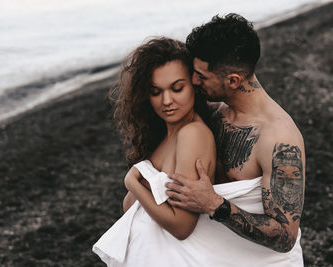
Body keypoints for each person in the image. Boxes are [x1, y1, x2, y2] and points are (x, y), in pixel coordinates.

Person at [165, 13, 306, 257]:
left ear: (232, 80)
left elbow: (286, 237)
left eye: (201, 76)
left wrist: (213, 204)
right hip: (212, 253)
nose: (193, 80)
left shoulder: (279, 139)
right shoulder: (215, 110)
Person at [93, 37, 218, 266]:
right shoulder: (165, 135)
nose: (167, 100)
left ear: (194, 86)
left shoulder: (193, 135)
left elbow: (182, 226)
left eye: (177, 88)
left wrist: (132, 182)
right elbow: (132, 208)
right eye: (155, 91)